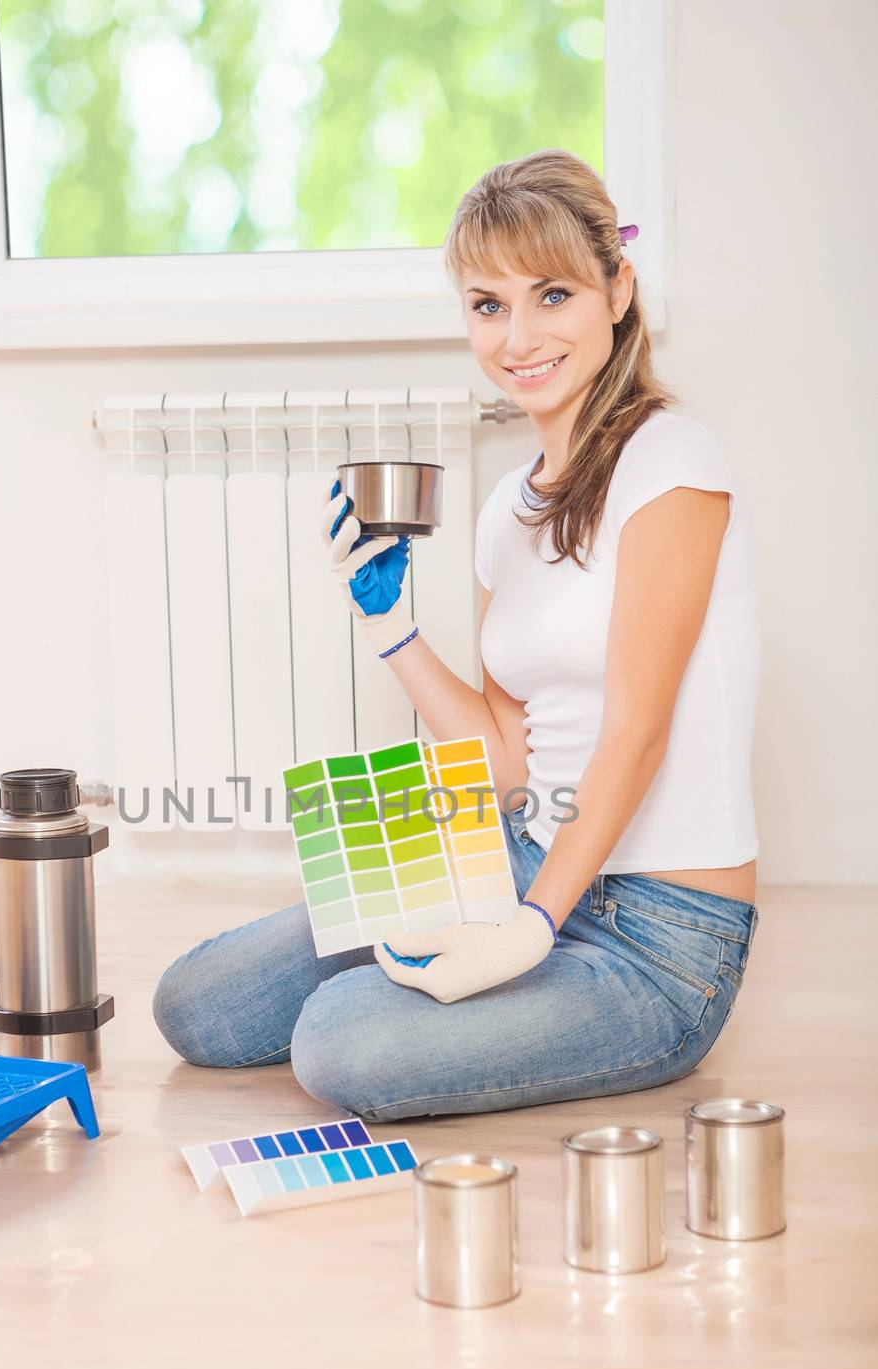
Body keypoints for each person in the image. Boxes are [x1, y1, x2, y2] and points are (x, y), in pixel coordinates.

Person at [152, 148, 761, 1122]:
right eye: (485, 305)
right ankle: (474, 972)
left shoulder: (670, 465)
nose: (515, 337)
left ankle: (495, 989)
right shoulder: (505, 511)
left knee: (339, 1036)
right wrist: (391, 629)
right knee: (196, 1005)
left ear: (616, 289)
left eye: (550, 295)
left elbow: (633, 732)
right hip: (520, 861)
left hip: (657, 937)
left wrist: (528, 927)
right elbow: (506, 763)